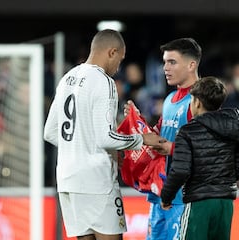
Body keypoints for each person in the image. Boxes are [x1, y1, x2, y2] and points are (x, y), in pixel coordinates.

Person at [44, 29, 163, 240]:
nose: (119, 67)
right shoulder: (103, 81)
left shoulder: (67, 78)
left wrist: (80, 148)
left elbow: (50, 132)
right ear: (112, 52)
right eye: (120, 59)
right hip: (96, 182)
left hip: (67, 180)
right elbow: (105, 138)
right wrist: (143, 139)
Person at [124, 38, 202, 240]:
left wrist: (172, 148)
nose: (165, 68)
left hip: (184, 197)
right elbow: (158, 136)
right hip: (160, 194)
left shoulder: (200, 102)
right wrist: (137, 121)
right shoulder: (168, 100)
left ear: (191, 64)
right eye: (165, 62)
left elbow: (207, 149)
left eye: (172, 62)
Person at [160, 77, 239, 240]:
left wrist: (166, 196)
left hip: (198, 202)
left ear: (197, 102)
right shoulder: (233, 128)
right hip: (226, 203)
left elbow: (180, 170)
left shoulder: (187, 132)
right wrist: (221, 181)